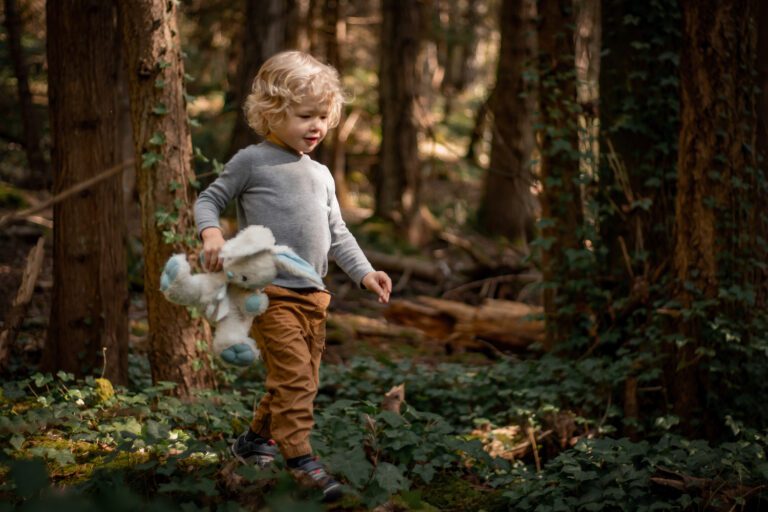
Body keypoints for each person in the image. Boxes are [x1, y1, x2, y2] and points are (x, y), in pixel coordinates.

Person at [194, 50, 392, 501]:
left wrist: (366, 275)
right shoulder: (252, 162)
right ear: (271, 112)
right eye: (305, 116)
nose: (317, 126)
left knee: (297, 379)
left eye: (323, 116)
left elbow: (338, 234)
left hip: (313, 296)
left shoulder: (322, 174)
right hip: (266, 291)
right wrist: (211, 235)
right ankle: (302, 462)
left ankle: (255, 441)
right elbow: (209, 199)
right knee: (297, 380)